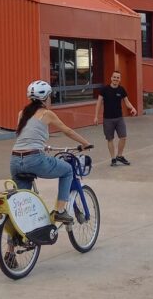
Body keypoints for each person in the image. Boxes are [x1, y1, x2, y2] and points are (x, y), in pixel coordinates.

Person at [11, 80, 92, 224]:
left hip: (15, 161)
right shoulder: (47, 113)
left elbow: (26, 137)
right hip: (34, 159)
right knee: (67, 170)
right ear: (46, 97)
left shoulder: (21, 113)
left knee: (22, 202)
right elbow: (67, 130)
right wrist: (85, 143)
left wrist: (43, 146)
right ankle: (60, 211)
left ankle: (14, 241)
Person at [94, 71, 137, 166]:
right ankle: (113, 158)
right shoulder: (104, 89)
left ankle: (119, 156)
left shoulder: (121, 90)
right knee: (110, 139)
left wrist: (132, 108)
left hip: (119, 118)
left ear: (120, 80)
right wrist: (96, 116)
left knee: (123, 137)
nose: (116, 79)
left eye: (118, 78)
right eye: (114, 77)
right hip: (108, 119)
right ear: (111, 78)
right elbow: (98, 103)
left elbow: (127, 102)